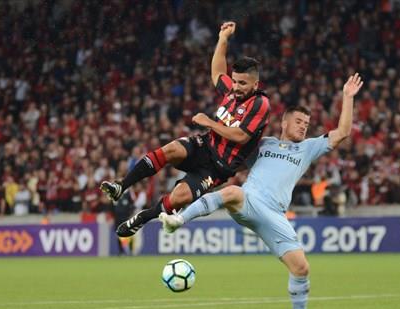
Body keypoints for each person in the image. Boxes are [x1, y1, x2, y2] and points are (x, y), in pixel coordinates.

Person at [159, 74, 363, 309]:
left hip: (275, 214)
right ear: (284, 122)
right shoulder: (262, 145)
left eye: (307, 123)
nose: (303, 127)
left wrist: (347, 97)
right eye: (299, 121)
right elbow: (226, 161)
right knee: (233, 191)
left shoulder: (309, 148)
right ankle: (178, 220)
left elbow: (343, 132)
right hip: (249, 200)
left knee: (301, 267)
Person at [100, 21, 271, 237]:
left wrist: (209, 122)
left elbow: (241, 136)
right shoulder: (232, 92)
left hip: (218, 168)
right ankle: (121, 187)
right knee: (172, 149)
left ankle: (143, 217)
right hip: (205, 146)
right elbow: (217, 72)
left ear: (255, 85)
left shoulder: (260, 104)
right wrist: (222, 39)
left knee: (179, 197)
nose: (236, 87)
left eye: (242, 84)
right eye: (235, 82)